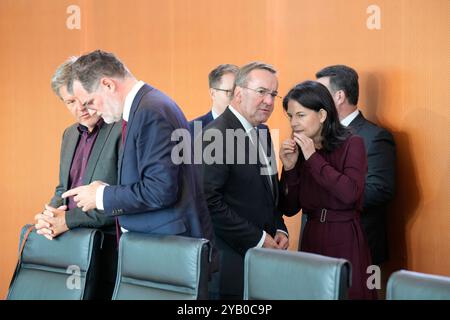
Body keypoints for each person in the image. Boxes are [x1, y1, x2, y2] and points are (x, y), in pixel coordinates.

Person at [61, 50, 216, 251]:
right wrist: (106, 189)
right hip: (160, 244)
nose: (91, 111)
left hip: (167, 248)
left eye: (90, 102)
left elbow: (160, 190)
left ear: (108, 85)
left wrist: (102, 195)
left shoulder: (150, 111)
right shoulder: (145, 106)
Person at [279, 80, 376, 300]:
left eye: (301, 115)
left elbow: (350, 194)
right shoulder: (300, 149)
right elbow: (289, 208)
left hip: (344, 235)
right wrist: (290, 168)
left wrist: (312, 157)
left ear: (322, 115)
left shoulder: (353, 143)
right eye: (290, 116)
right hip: (311, 234)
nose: (294, 123)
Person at [34, 57, 121, 298]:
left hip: (109, 250)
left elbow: (124, 197)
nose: (79, 108)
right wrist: (49, 215)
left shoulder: (121, 129)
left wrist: (67, 219)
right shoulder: (69, 134)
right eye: (70, 102)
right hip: (71, 247)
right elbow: (64, 188)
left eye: (83, 100)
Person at [201, 62, 288, 299]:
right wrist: (259, 238)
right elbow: (210, 202)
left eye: (273, 94)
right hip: (230, 261)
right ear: (238, 93)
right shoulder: (215, 135)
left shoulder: (263, 132)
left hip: (265, 258)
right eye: (262, 92)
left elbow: (268, 192)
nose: (269, 101)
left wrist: (279, 227)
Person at [316, 65, 396, 266]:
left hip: (357, 247)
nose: (315, 100)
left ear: (339, 96)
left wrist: (328, 197)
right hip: (316, 246)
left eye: (320, 94)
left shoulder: (375, 137)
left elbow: (379, 189)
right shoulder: (316, 135)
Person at [189, 64, 239, 135]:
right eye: (229, 92)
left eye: (239, 92)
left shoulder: (256, 130)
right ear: (213, 93)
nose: (237, 98)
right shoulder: (191, 131)